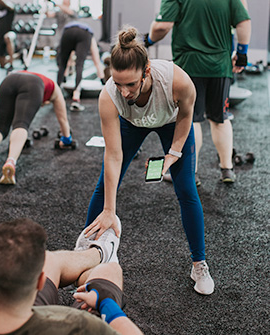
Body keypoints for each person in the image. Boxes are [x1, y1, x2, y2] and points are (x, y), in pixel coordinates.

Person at [83, 26, 214, 295]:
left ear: (147, 71)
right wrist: (110, 210)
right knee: (105, 186)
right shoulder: (109, 96)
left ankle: (199, 264)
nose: (125, 91)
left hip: (171, 123)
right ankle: (86, 257)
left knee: (187, 189)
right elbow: (113, 154)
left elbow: (186, 117)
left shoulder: (178, 82)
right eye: (118, 83)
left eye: (131, 84)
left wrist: (173, 154)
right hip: (132, 124)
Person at [146, 0, 251, 185]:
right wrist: (242, 54)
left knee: (192, 118)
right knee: (221, 118)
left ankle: (191, 173)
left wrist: (147, 40)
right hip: (219, 66)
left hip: (189, 66)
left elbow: (162, 26)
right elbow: (243, 22)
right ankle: (227, 169)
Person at [0, 217, 143, 334]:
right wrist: (106, 303)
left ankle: (95, 255)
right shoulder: (80, 326)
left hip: (12, 313)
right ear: (40, 282)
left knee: (48, 259)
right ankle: (99, 256)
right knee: (110, 270)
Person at [0, 71, 75, 185]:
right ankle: (11, 162)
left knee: (0, 129)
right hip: (33, 85)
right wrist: (66, 140)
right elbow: (63, 120)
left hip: (9, 80)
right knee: (21, 124)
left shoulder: (37, 77)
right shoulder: (55, 90)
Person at [57, 21, 105, 112]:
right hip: (83, 33)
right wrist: (103, 81)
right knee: (80, 64)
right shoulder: (89, 33)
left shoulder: (70, 27)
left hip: (67, 31)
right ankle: (76, 98)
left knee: (63, 63)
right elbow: (96, 60)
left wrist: (65, 77)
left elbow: (66, 61)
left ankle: (56, 94)